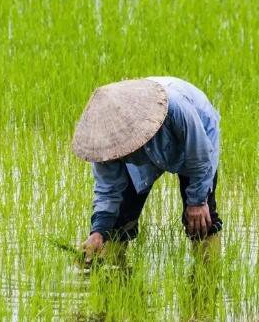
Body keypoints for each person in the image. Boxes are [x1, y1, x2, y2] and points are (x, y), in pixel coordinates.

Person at [72, 76, 222, 263]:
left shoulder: (175, 109)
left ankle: (208, 276)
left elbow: (200, 158)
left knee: (201, 221)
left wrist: (198, 202)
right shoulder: (104, 142)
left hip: (194, 143)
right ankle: (116, 276)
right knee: (118, 222)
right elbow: (108, 191)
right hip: (153, 149)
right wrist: (98, 231)